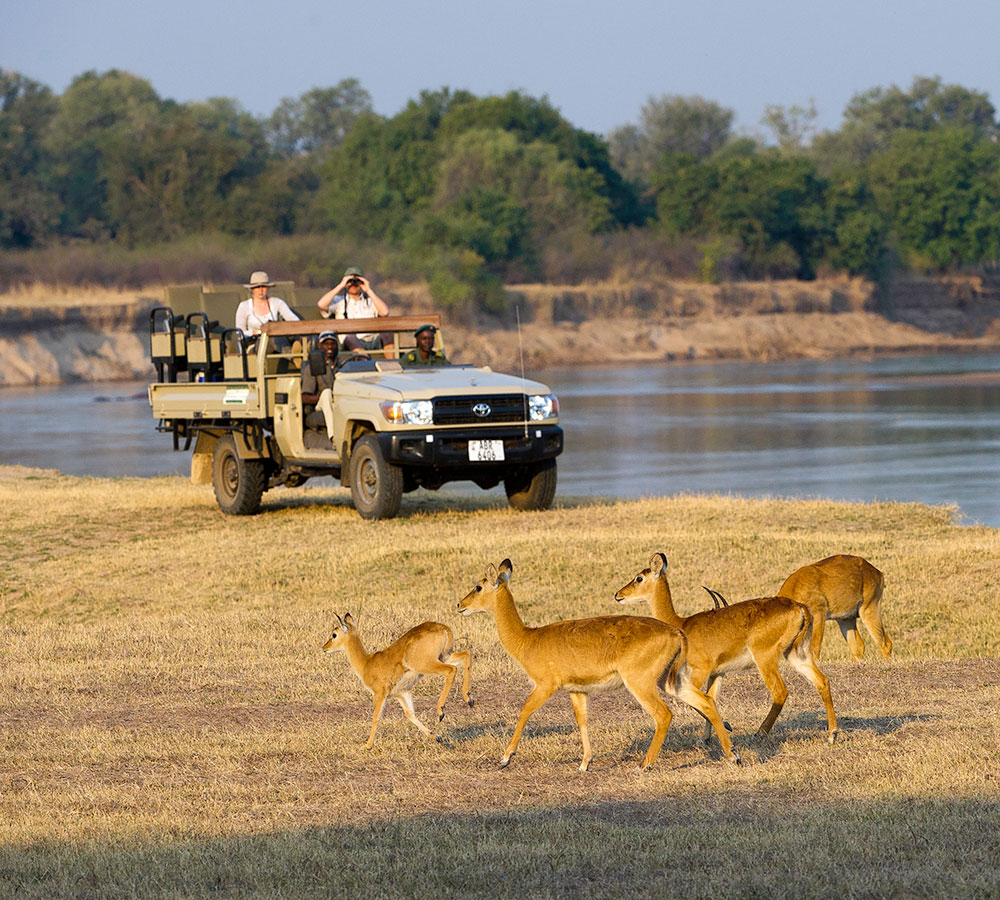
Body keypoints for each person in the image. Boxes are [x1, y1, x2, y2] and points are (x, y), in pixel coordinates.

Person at [317, 267, 394, 356]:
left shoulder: (370, 301)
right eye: (350, 281)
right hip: (352, 342)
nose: (354, 284)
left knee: (388, 334)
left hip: (372, 339)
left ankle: (392, 365)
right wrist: (341, 285)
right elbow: (321, 305)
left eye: (357, 281)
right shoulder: (339, 301)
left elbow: (385, 312)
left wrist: (368, 290)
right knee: (351, 338)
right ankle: (365, 362)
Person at [235, 271, 299, 336]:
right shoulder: (244, 306)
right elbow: (239, 333)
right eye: (257, 287)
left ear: (268, 288)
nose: (261, 290)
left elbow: (295, 321)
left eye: (263, 286)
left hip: (276, 340)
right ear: (252, 289)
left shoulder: (277, 303)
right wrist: (256, 332)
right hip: (255, 342)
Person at [300, 331, 339, 435]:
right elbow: (304, 397)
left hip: (342, 402)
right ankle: (333, 436)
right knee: (326, 393)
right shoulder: (312, 367)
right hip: (320, 406)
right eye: (326, 344)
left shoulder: (344, 365)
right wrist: (331, 397)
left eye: (332, 343)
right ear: (319, 346)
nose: (330, 347)